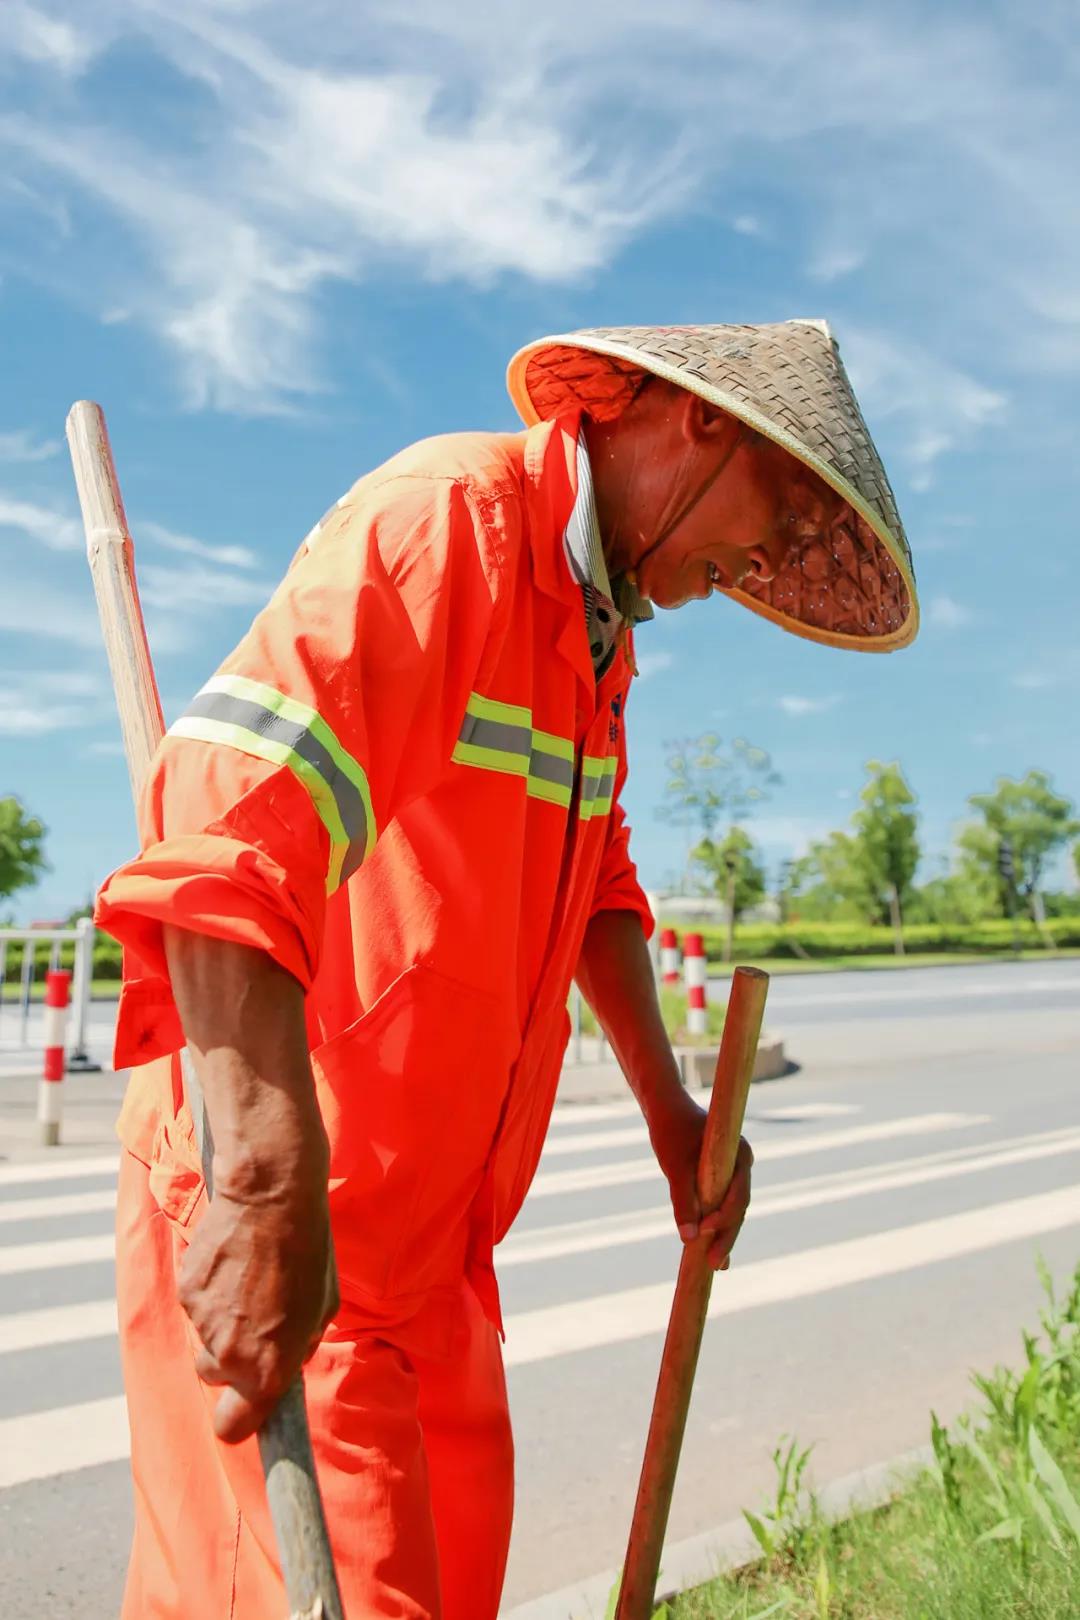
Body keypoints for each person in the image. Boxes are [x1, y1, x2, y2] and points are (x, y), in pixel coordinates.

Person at [96, 320, 918, 1619]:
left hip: (438, 1256)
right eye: (776, 519)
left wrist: (669, 1110)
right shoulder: (451, 524)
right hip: (305, 1240)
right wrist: (257, 1174)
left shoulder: (595, 636)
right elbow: (226, 799)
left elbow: (594, 882)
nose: (758, 567)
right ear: (701, 421)